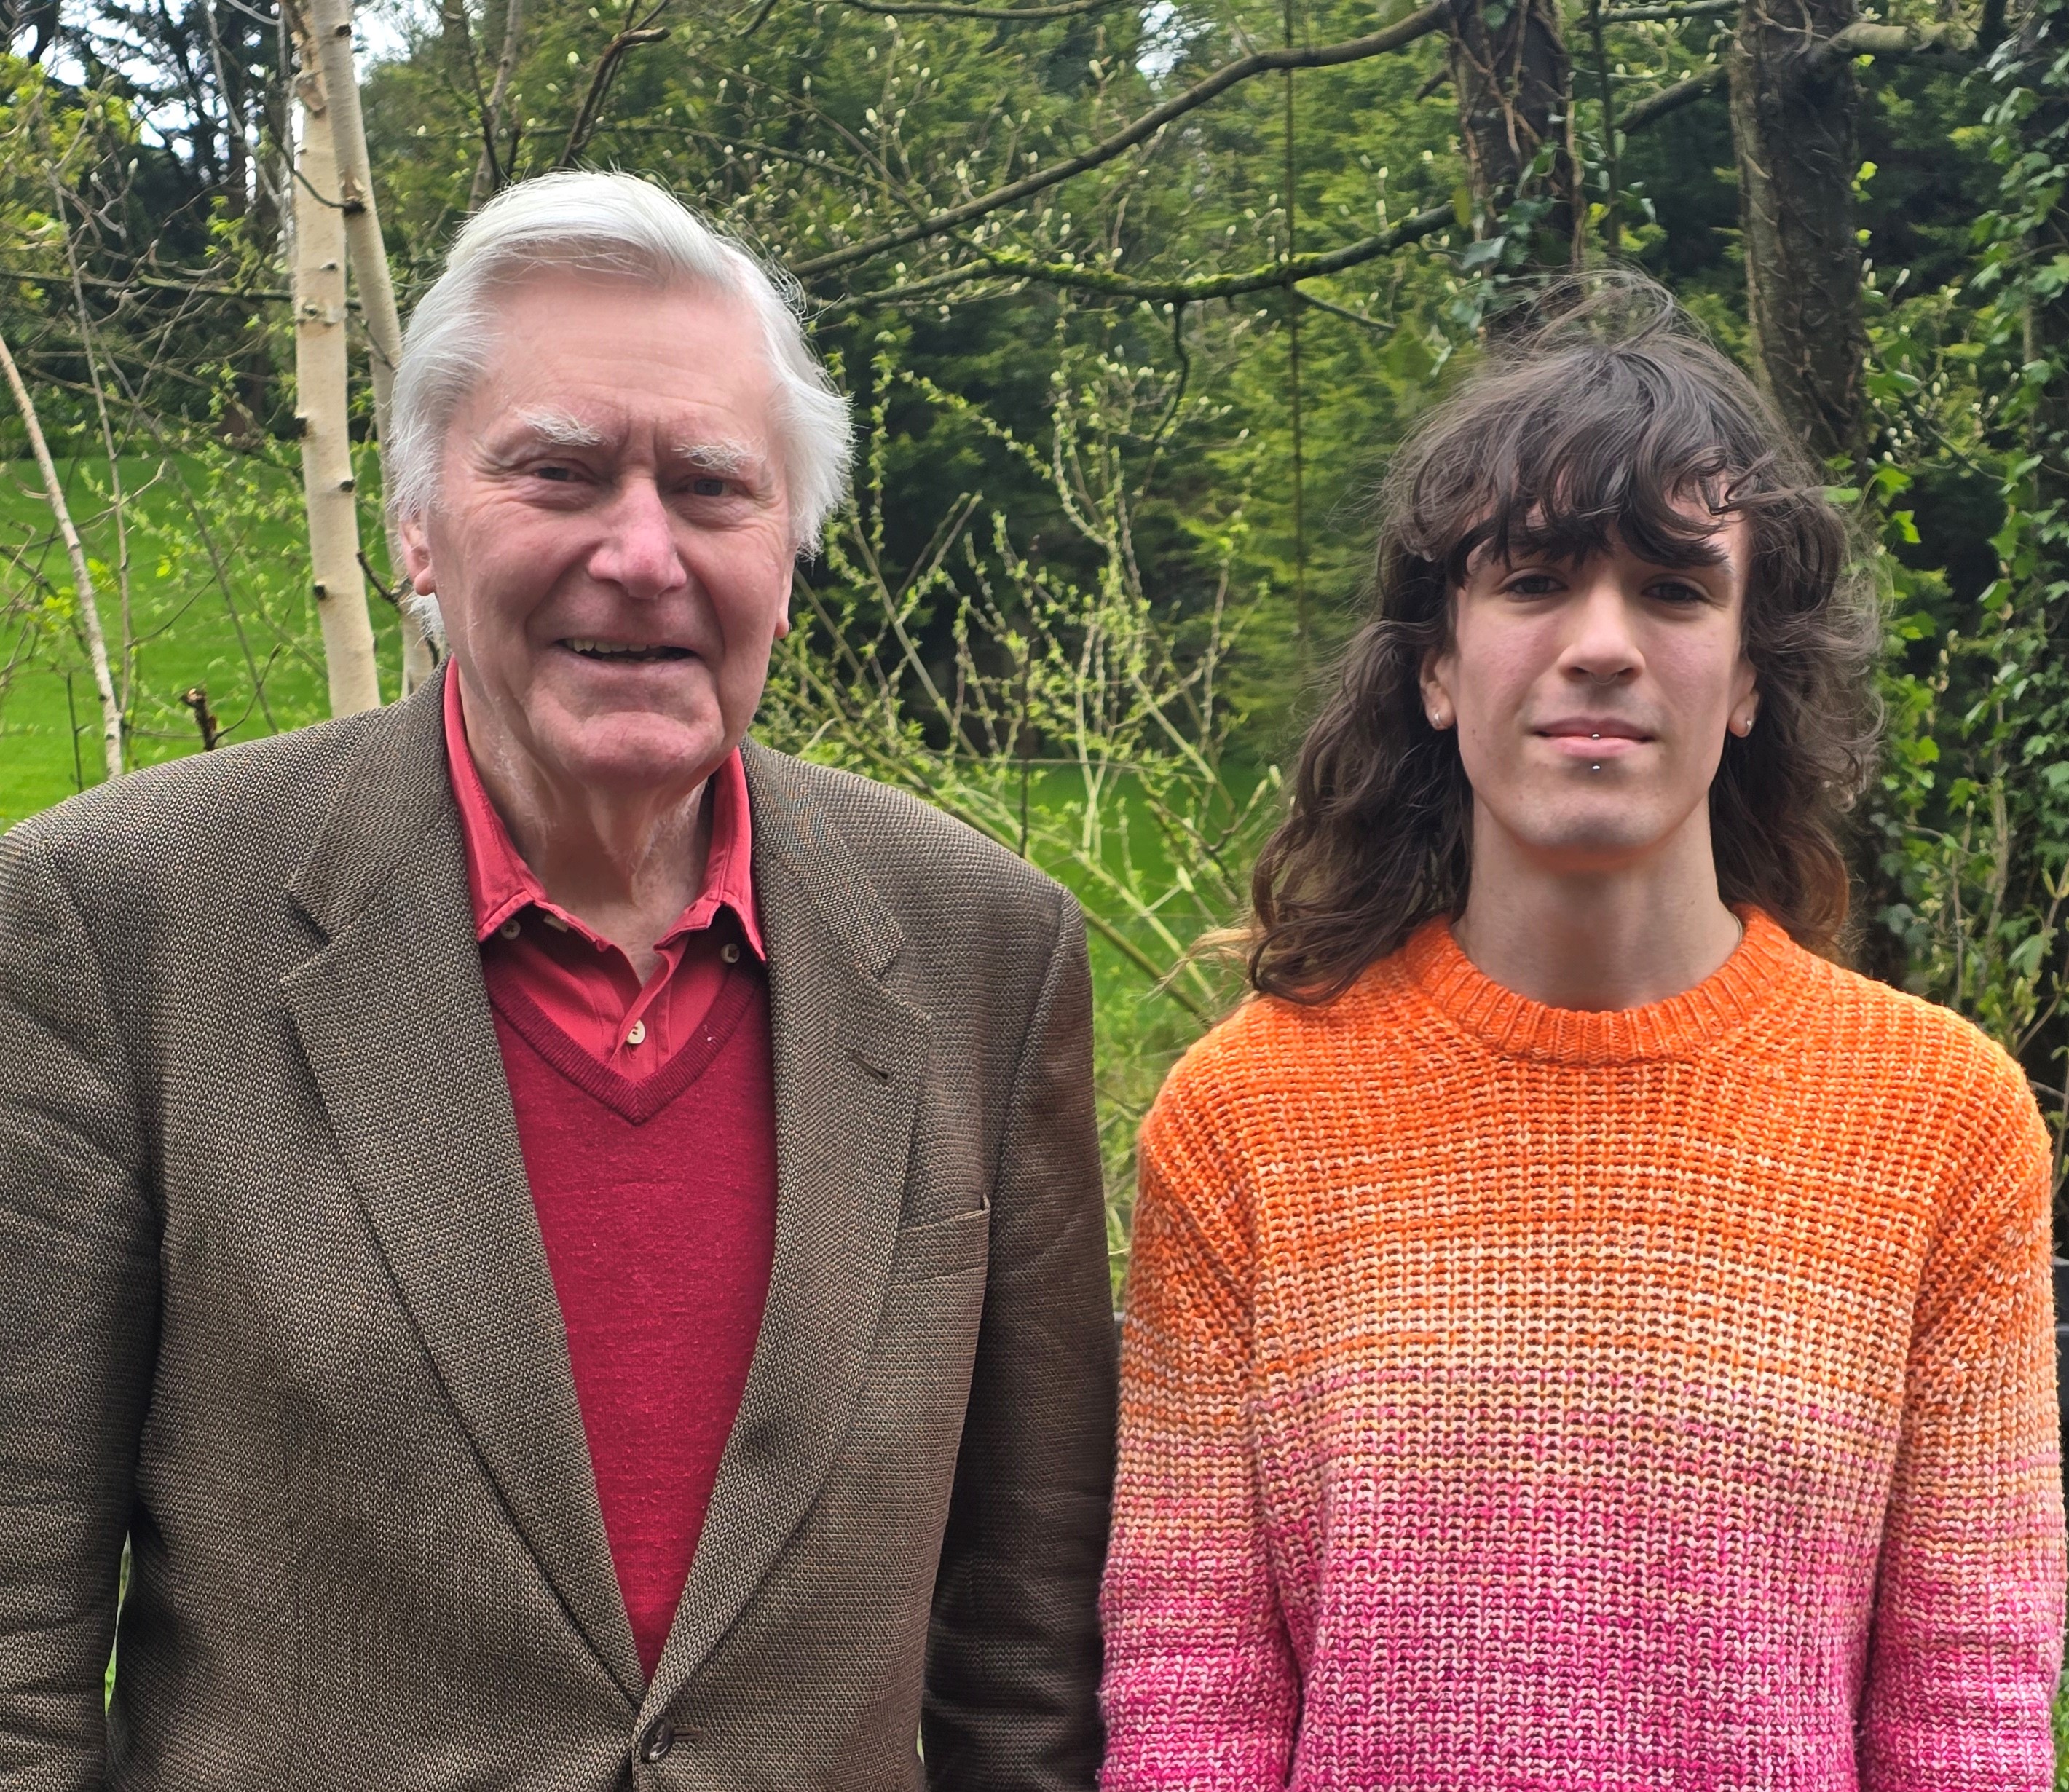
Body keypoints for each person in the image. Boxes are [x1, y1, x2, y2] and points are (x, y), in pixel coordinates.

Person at [0, 171, 1114, 1791]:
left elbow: (1027, 1648)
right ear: (415, 531)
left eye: (714, 488)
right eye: (560, 471)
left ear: (786, 559)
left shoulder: (984, 954)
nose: (642, 552)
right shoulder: (116, 922)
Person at [1099, 286, 2066, 1788]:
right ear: (1435, 664)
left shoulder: (1938, 1120)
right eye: (1534, 581)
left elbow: (1963, 1706)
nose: (1600, 644)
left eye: (1674, 591)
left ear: (1749, 679)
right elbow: (1189, 1682)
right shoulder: (1243, 1118)